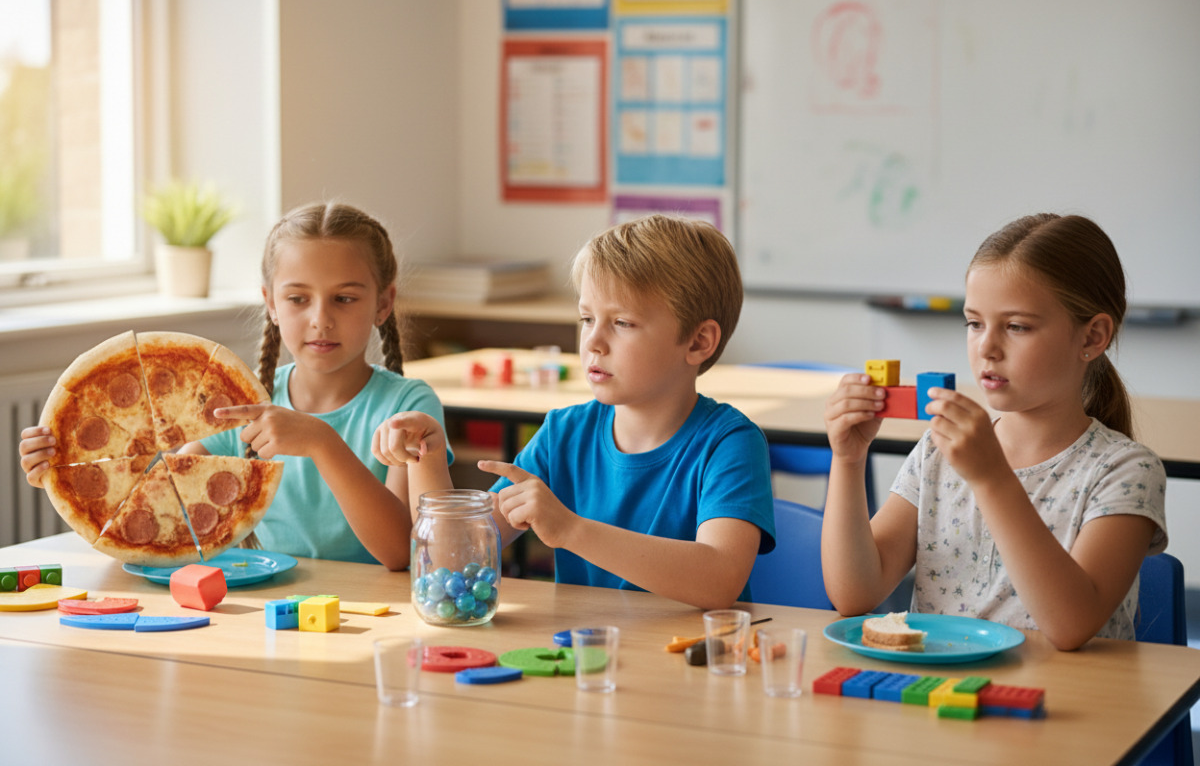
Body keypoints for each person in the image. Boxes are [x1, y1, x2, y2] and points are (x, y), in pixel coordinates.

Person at [20, 201, 453, 568]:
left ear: (384, 303)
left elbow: (402, 552)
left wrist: (322, 442)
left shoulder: (408, 406)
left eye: (344, 298)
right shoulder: (239, 407)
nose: (320, 318)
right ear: (271, 304)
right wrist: (70, 472)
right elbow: (159, 514)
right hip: (269, 616)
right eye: (298, 299)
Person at [375, 214, 776, 609]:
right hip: (584, 658)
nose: (593, 343)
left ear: (698, 342)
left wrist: (570, 529)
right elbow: (451, 562)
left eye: (622, 322)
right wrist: (426, 453)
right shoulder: (563, 434)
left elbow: (719, 579)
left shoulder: (730, 443)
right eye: (587, 319)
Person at [821, 213, 1167, 650]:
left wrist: (990, 477)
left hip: (1068, 707)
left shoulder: (1126, 471)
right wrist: (848, 461)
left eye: (1017, 326)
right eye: (974, 323)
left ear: (1092, 337)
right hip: (941, 700)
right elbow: (855, 593)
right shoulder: (939, 448)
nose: (986, 347)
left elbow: (1071, 625)